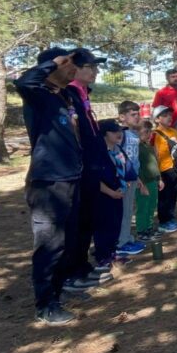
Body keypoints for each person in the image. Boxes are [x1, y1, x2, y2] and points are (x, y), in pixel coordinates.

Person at [14, 49, 82, 325]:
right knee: (49, 245)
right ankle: (45, 305)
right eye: (67, 64)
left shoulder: (63, 96)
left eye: (74, 64)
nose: (73, 69)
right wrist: (50, 63)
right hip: (48, 182)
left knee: (65, 242)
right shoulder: (38, 95)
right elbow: (23, 82)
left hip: (69, 178)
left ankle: (57, 292)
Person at [65, 48, 113, 289]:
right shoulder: (69, 93)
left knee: (88, 220)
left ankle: (82, 266)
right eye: (90, 67)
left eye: (96, 67)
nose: (95, 71)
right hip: (80, 167)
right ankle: (72, 271)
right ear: (75, 68)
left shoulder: (83, 93)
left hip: (92, 165)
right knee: (79, 220)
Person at [94, 119, 129, 271]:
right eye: (114, 131)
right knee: (104, 226)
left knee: (115, 224)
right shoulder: (98, 153)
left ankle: (112, 253)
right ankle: (102, 256)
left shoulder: (117, 149)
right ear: (105, 134)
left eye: (120, 130)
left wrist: (122, 186)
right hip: (104, 195)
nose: (119, 134)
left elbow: (122, 169)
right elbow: (94, 179)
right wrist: (111, 192)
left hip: (118, 193)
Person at [115, 101, 146, 257]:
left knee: (128, 210)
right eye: (133, 114)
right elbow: (116, 155)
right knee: (123, 211)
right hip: (123, 179)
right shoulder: (120, 134)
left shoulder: (134, 134)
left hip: (132, 177)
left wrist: (138, 177)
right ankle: (120, 243)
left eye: (137, 114)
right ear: (122, 116)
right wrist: (121, 176)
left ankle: (127, 238)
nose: (137, 117)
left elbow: (134, 159)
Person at [151, 105, 177, 233]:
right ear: (157, 119)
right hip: (164, 169)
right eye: (165, 116)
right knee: (164, 196)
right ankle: (163, 221)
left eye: (170, 115)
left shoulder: (173, 131)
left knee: (173, 195)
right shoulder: (155, 134)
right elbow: (155, 154)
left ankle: (170, 218)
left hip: (175, 168)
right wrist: (157, 173)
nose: (169, 118)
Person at [135, 120, 163, 242]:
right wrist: (141, 184)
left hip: (153, 181)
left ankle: (149, 227)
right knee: (143, 207)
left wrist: (159, 179)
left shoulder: (149, 146)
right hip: (143, 183)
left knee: (152, 205)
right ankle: (141, 230)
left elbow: (155, 164)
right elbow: (137, 167)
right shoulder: (137, 147)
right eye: (146, 132)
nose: (149, 134)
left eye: (150, 131)